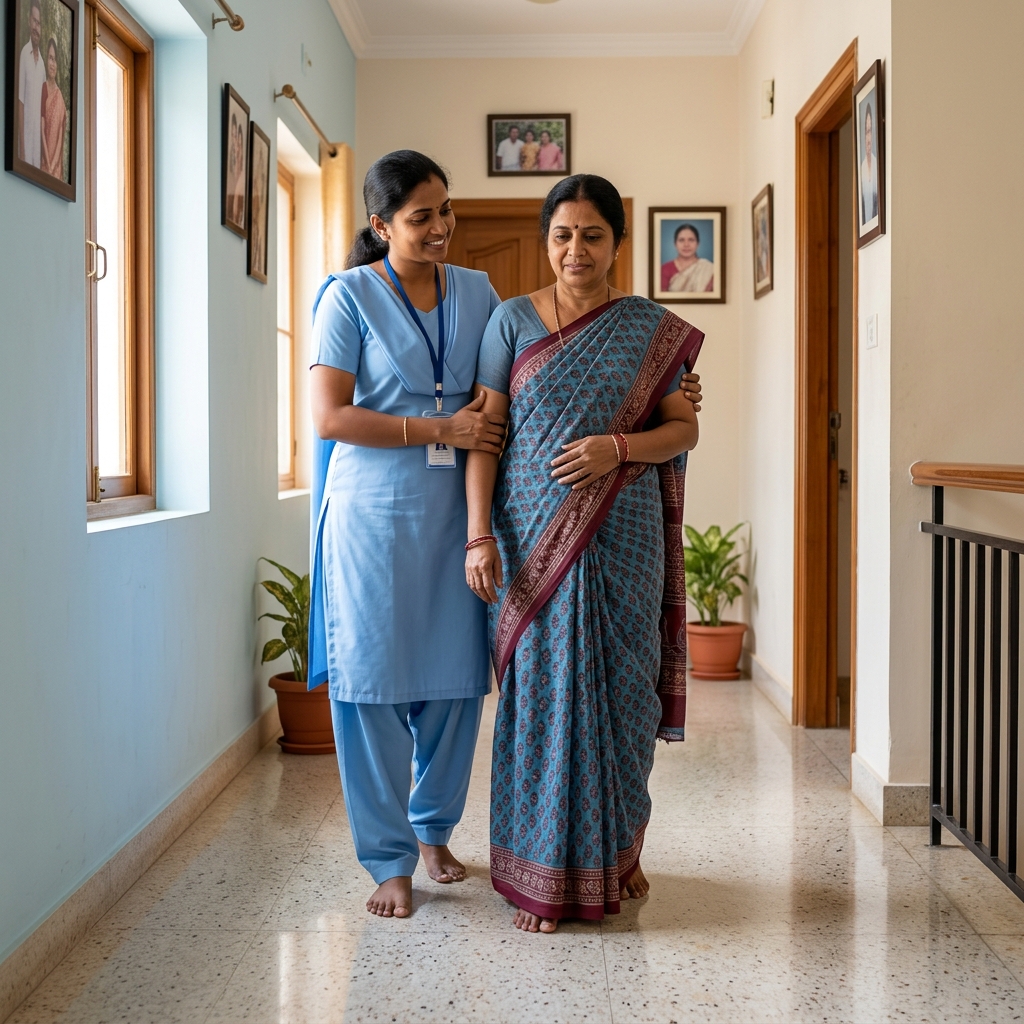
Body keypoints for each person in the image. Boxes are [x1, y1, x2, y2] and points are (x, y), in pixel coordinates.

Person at [465, 174, 703, 933]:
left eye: (592, 235)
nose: (576, 250)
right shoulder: (509, 321)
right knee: (541, 705)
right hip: (528, 543)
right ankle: (543, 874)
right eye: (563, 235)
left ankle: (618, 851)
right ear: (547, 240)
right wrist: (476, 533)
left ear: (617, 243)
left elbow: (683, 430)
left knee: (622, 702)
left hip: (624, 538)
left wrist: (617, 448)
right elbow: (486, 438)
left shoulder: (647, 327)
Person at [308, 151, 508, 921]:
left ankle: (432, 830)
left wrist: (670, 386)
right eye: (420, 216)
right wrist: (438, 425)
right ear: (380, 224)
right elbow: (330, 417)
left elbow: (516, 375)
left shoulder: (481, 291)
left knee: (457, 681)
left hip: (457, 511)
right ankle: (387, 859)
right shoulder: (349, 297)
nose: (439, 228)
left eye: (445, 212)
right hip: (370, 515)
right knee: (372, 686)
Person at [17, 0, 45, 168]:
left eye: (39, 23)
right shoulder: (23, 55)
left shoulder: (42, 64)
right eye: (34, 21)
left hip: (37, 150)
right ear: (28, 21)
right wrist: (21, 150)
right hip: (26, 145)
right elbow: (20, 102)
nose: (36, 27)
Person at [39, 38, 66, 180]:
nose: (52, 64)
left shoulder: (60, 98)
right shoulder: (43, 89)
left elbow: (60, 137)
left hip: (55, 167)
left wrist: (53, 165)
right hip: (44, 161)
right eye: (50, 58)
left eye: (54, 60)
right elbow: (41, 129)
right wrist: (47, 163)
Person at [662, 223, 714, 293]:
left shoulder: (709, 269)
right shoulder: (664, 270)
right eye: (681, 240)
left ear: (698, 243)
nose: (686, 244)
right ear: (675, 244)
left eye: (691, 240)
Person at [860, 103, 879, 225]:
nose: (868, 138)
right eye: (866, 132)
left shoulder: (877, 165)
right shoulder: (861, 168)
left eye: (870, 131)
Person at [226, 114, 246, 228]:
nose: (236, 148)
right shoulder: (231, 179)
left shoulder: (242, 180)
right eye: (233, 137)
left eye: (239, 143)